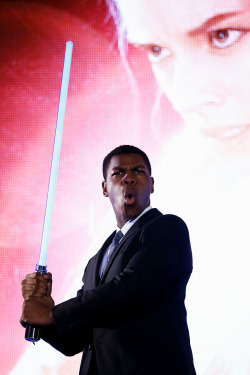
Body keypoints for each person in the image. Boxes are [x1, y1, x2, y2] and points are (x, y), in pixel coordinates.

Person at [21, 145, 196, 375]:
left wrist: (51, 314)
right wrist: (38, 315)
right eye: (118, 173)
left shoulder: (167, 228)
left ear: (152, 184)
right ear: (105, 188)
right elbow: (76, 338)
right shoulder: (96, 261)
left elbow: (130, 288)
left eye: (138, 172)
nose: (129, 179)